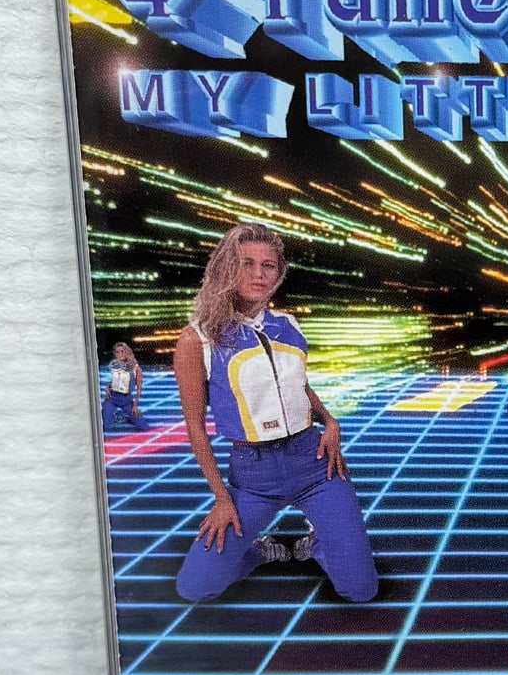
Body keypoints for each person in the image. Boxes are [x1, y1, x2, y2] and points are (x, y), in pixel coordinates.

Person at [172, 224, 379, 605]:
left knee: (361, 589)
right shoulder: (197, 339)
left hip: (314, 463)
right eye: (246, 263)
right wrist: (221, 498)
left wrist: (329, 421)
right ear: (225, 268)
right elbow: (196, 429)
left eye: (268, 265)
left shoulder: (287, 325)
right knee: (195, 586)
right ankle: (257, 551)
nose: (258, 274)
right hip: (253, 475)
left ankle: (317, 544)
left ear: (278, 272)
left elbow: (298, 385)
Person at [101, 340, 145, 430]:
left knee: (143, 427)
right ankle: (114, 416)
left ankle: (128, 418)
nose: (120, 354)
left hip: (126, 400)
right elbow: (112, 380)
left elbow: (139, 388)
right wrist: (107, 387)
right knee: (104, 426)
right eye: (117, 352)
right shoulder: (114, 365)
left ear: (127, 352)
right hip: (111, 399)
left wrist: (135, 405)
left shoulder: (136, 368)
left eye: (122, 351)